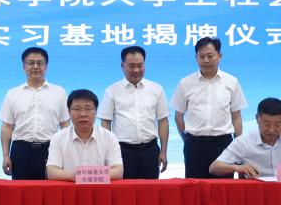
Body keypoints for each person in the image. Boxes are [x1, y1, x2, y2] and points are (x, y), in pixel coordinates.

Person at [171, 37, 247, 178]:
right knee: (194, 187)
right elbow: (178, 117)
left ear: (219, 56)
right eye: (201, 56)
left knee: (223, 188)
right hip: (194, 146)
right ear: (196, 58)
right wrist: (188, 139)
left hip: (223, 145)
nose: (206, 60)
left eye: (210, 56)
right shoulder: (185, 83)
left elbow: (236, 118)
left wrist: (238, 146)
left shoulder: (231, 82)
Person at [98, 45, 170, 179]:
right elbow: (106, 123)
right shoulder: (111, 91)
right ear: (122, 66)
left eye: (140, 65)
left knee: (150, 189)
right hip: (122, 151)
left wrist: (164, 151)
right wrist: (108, 153)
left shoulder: (156, 89)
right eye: (131, 66)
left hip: (150, 150)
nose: (136, 70)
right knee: (124, 189)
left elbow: (163, 121)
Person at [0, 47, 70, 180]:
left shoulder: (59, 92)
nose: (35, 67)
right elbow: (7, 127)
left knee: (50, 190)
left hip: (50, 150)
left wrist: (65, 155)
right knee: (21, 190)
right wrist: (6, 156)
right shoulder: (12, 94)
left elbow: (65, 125)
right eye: (31, 63)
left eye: (40, 63)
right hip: (21, 151)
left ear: (46, 66)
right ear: (23, 66)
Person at [211, 97, 281, 179]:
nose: (272, 130)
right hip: (256, 192)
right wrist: (238, 168)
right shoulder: (244, 141)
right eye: (267, 124)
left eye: (277, 124)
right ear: (257, 118)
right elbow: (214, 167)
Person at [46, 89, 124, 181]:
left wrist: (84, 177)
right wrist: (73, 176)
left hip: (100, 188)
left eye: (88, 109)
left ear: (96, 112)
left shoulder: (109, 137)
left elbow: (118, 171)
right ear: (69, 112)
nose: (83, 114)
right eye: (77, 109)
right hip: (70, 187)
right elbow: (51, 172)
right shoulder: (59, 138)